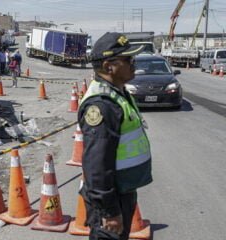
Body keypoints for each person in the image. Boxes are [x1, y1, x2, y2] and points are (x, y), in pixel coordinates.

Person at [77, 32, 153, 240]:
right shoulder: (102, 106)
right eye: (128, 59)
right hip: (110, 199)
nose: (133, 63)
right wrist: (109, 211)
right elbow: (96, 166)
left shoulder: (118, 93)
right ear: (109, 66)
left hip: (122, 191)